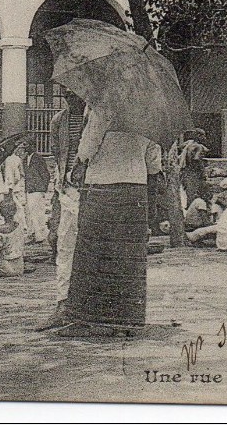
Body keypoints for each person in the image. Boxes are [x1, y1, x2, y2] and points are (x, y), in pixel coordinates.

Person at [55, 104, 162, 336]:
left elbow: (87, 147)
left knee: (92, 254)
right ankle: (126, 322)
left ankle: (84, 320)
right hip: (135, 192)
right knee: (128, 259)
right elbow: (154, 163)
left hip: (103, 189)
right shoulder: (149, 113)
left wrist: (78, 165)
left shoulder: (104, 108)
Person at [42, 91, 86, 328]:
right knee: (64, 246)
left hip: (90, 190)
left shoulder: (95, 118)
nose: (70, 95)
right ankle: (63, 303)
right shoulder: (58, 120)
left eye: (74, 91)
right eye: (66, 92)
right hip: (66, 190)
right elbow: (58, 155)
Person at [21, 137, 52, 243]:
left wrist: (43, 189)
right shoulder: (25, 159)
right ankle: (31, 234)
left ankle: (40, 236)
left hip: (37, 190)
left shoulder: (38, 158)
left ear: (33, 146)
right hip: (29, 189)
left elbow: (45, 174)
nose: (24, 147)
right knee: (29, 213)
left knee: (38, 213)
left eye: (26, 145)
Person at [0, 195, 26, 277]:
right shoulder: (19, 226)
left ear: (1, 212)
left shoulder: (0, 229)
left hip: (6, 267)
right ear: (15, 211)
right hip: (19, 266)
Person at [178, 129, 208, 209]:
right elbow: (196, 159)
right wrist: (203, 172)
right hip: (194, 172)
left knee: (189, 193)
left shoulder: (188, 143)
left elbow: (180, 147)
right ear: (198, 136)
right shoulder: (198, 147)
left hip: (186, 171)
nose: (204, 138)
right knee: (196, 193)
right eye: (203, 136)